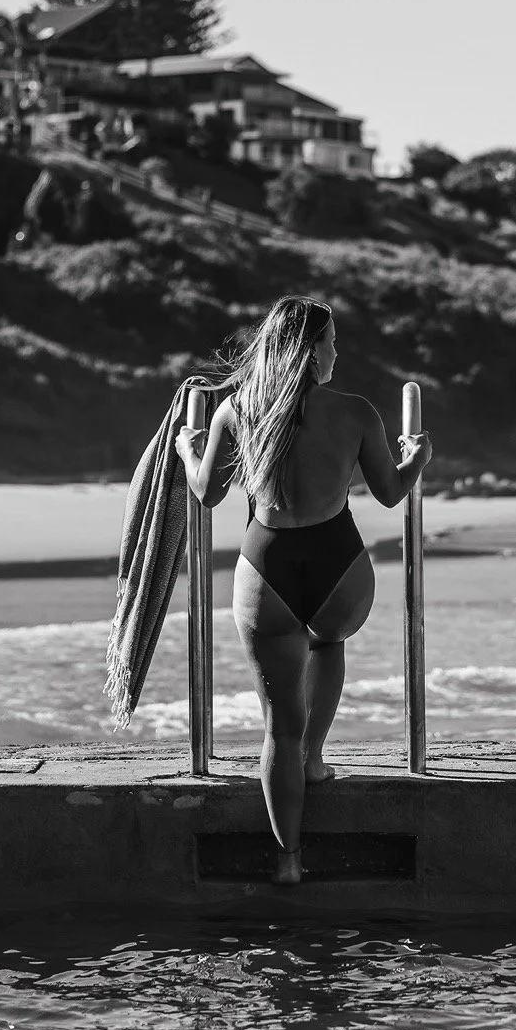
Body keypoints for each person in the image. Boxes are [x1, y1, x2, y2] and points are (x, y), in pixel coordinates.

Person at [175, 296, 433, 886]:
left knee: (277, 729)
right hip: (338, 568)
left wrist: (191, 451)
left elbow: (207, 494)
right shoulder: (356, 411)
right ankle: (315, 760)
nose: (337, 351)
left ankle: (289, 859)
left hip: (267, 569)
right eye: (333, 341)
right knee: (328, 638)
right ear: (312, 349)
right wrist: (415, 459)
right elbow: (391, 493)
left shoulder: (237, 410)